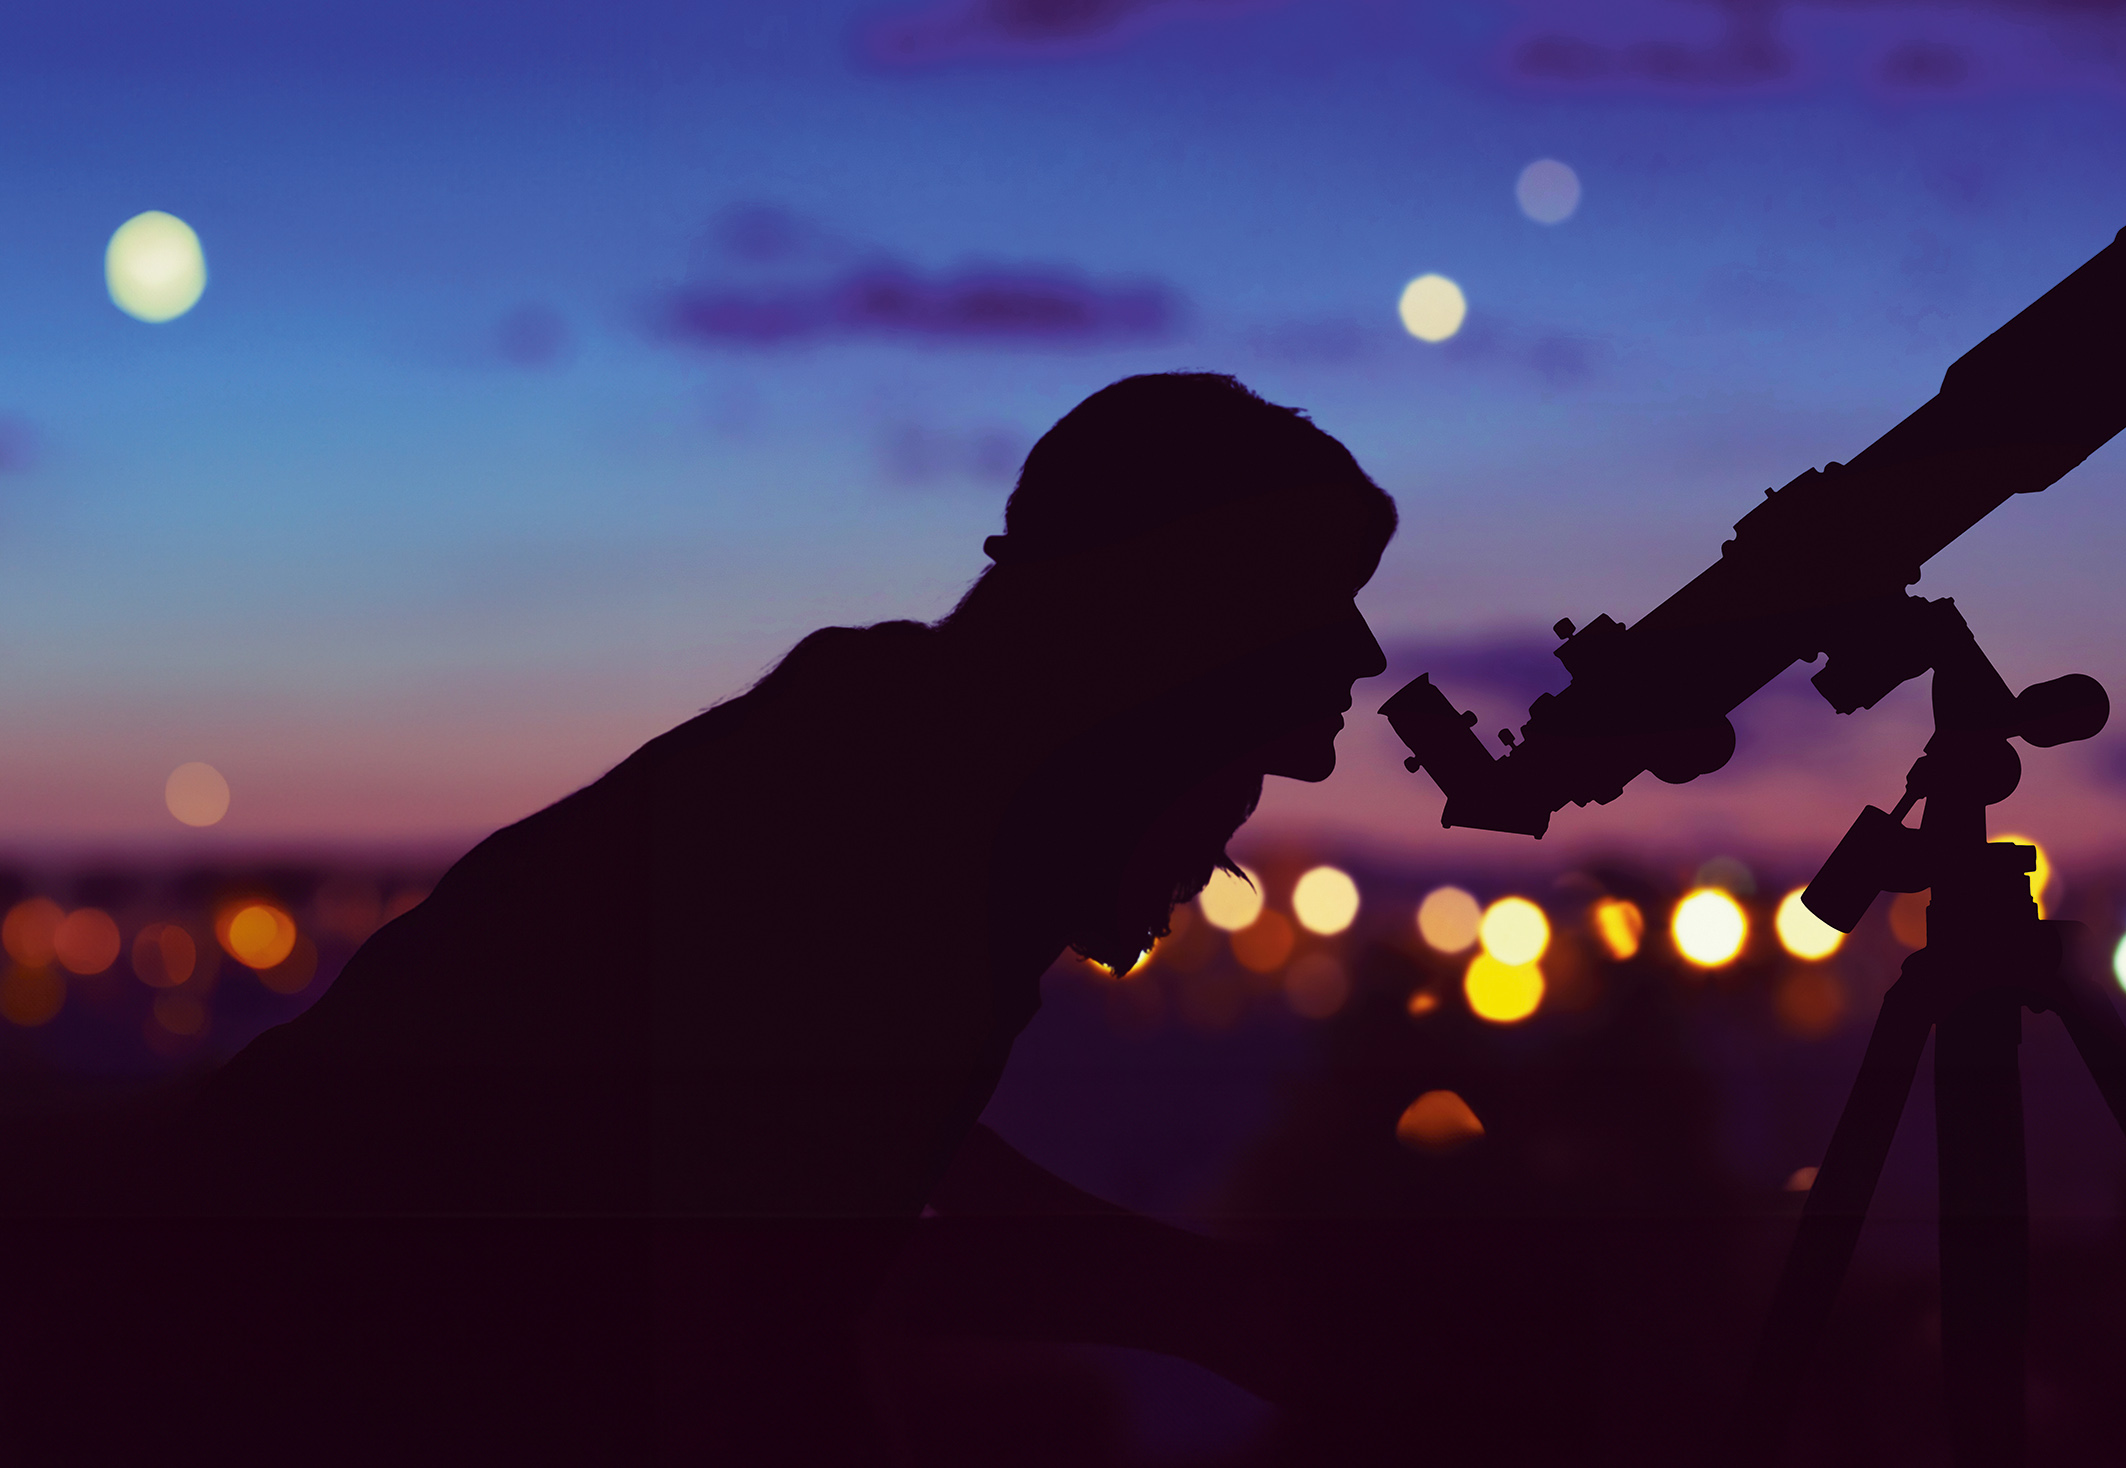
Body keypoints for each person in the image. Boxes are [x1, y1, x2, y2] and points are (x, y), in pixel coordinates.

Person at [4, 373, 1394, 1464]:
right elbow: (753, 1330)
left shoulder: (894, 758)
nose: (1266, 805)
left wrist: (1202, 1302)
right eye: (1255, 739)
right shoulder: (892, 838)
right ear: (1140, 679)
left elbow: (859, 1162)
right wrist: (1203, 1308)